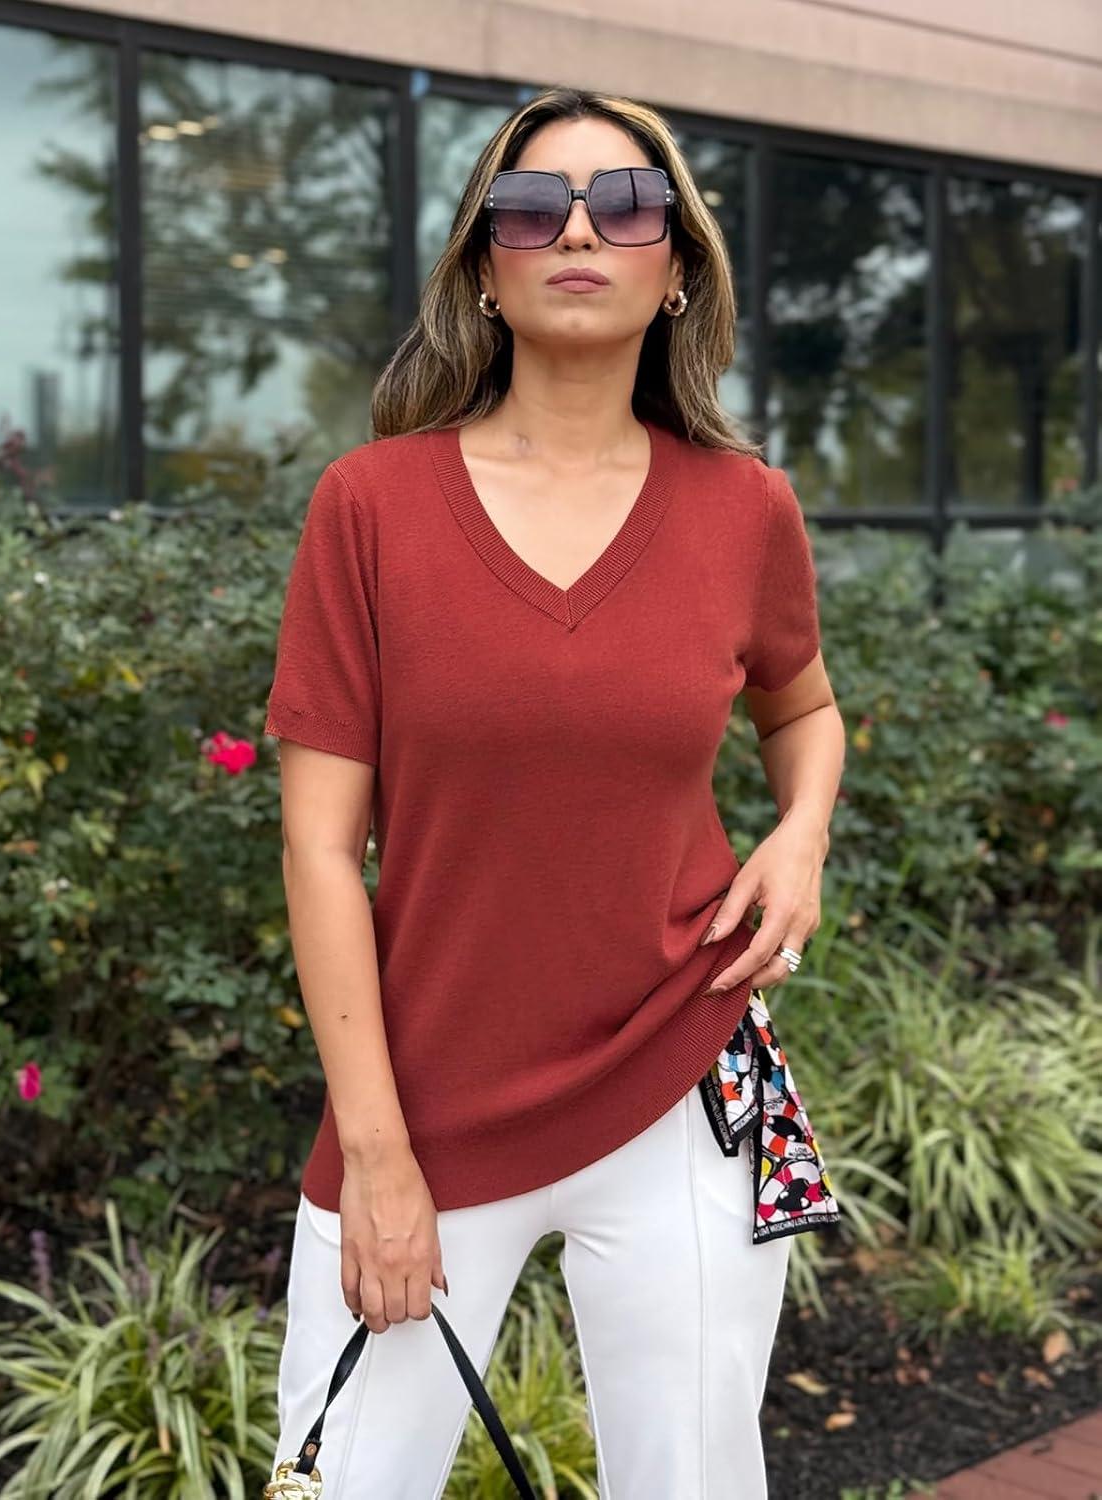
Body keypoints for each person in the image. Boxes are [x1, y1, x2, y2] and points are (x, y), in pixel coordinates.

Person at [263, 83, 846, 1500]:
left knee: (696, 1479)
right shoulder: (370, 506)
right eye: (533, 206)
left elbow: (804, 705)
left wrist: (801, 835)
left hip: (688, 1072)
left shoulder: (745, 507)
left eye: (624, 203)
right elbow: (320, 849)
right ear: (484, 267)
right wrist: (379, 1155)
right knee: (348, 1481)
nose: (579, 230)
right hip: (421, 1103)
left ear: (675, 267)